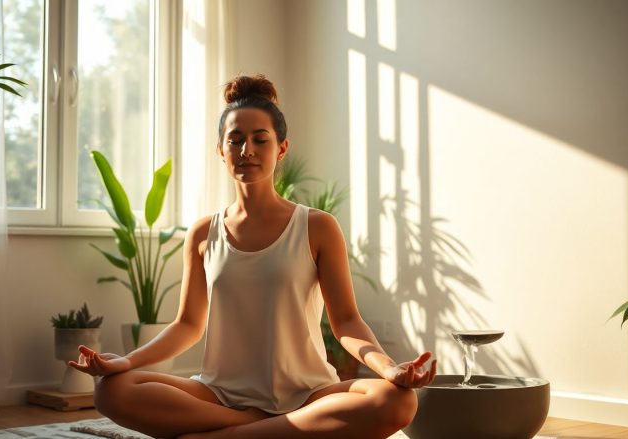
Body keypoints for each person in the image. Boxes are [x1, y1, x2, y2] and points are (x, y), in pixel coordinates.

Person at [69, 74, 437, 439]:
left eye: (261, 139)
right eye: (235, 140)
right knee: (111, 390)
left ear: (281, 148)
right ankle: (262, 430)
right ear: (221, 150)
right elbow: (188, 325)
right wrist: (125, 362)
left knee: (398, 401)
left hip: (307, 394)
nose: (247, 150)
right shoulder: (203, 233)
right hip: (220, 395)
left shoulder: (317, 226)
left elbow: (347, 321)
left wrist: (388, 369)